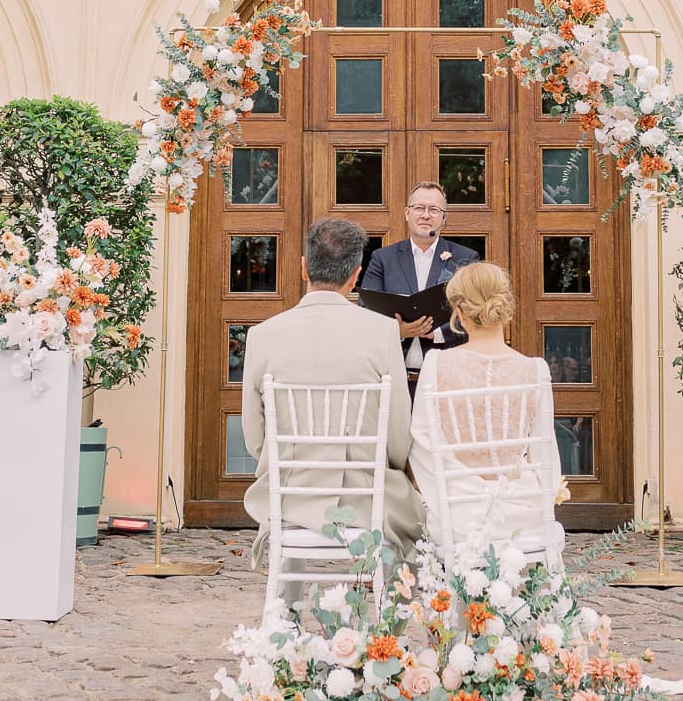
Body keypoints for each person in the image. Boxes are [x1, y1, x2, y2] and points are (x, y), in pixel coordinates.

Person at [240, 216, 423, 562]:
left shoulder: (262, 335)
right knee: (415, 512)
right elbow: (399, 440)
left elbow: (254, 439)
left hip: (288, 497)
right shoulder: (382, 332)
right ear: (356, 274)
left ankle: (286, 609)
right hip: (368, 500)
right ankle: (391, 605)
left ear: (304, 268)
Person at [408, 262, 563, 549]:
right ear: (504, 308)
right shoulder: (535, 369)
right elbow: (545, 455)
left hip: (459, 513)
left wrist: (454, 494)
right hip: (522, 514)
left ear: (460, 312)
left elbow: (422, 444)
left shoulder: (436, 364)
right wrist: (537, 500)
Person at [362, 182, 480, 383]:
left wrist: (437, 333)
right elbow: (366, 311)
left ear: (444, 218)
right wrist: (397, 331)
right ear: (407, 213)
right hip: (394, 380)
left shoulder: (465, 259)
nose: (426, 215)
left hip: (446, 378)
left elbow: (475, 313)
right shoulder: (382, 258)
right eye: (419, 208)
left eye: (434, 210)